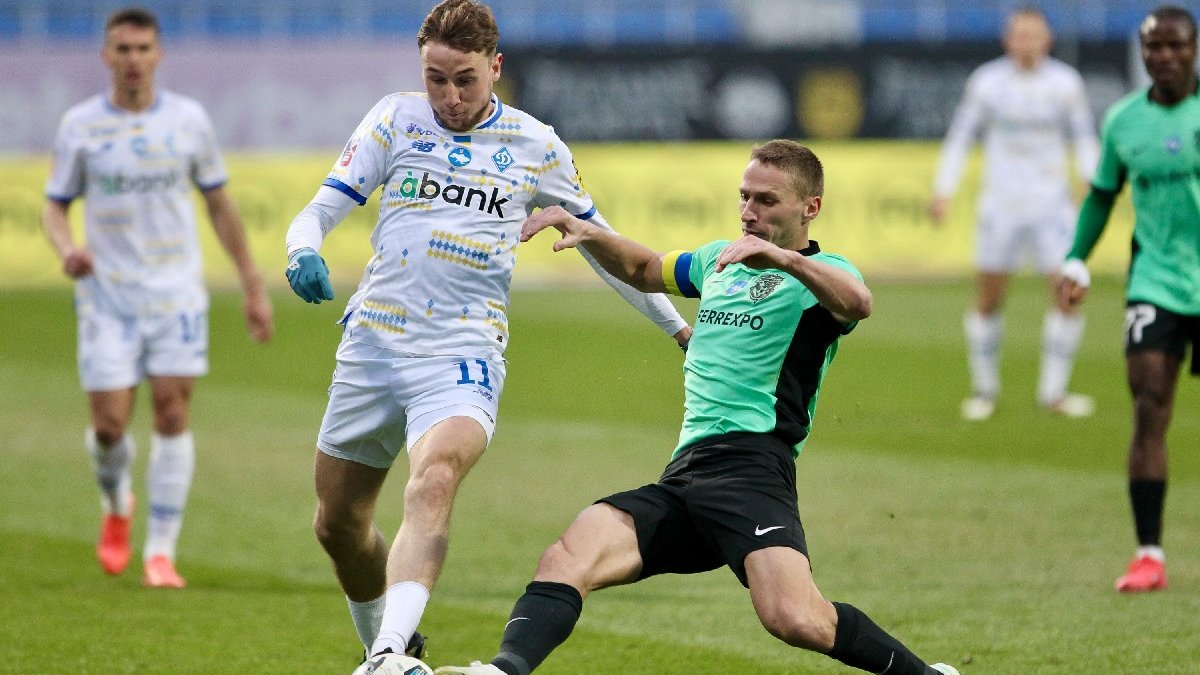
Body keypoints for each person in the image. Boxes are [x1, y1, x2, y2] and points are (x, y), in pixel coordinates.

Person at [435, 141, 959, 675]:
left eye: (767, 200)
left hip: (752, 470)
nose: (749, 211)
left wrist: (785, 260)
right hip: (686, 474)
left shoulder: (821, 273)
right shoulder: (718, 261)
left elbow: (858, 303)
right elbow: (644, 267)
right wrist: (589, 232)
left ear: (810, 208)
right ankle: (503, 670)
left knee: (796, 618)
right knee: (570, 555)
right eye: (745, 196)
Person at [282, 0, 691, 664]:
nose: (449, 96)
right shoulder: (394, 118)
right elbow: (318, 211)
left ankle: (388, 652)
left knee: (434, 479)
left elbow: (603, 247)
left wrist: (676, 328)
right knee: (338, 526)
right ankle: (389, 646)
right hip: (373, 345)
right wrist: (302, 250)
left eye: (465, 79)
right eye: (435, 78)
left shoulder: (536, 145)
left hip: (462, 351)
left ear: (495, 67)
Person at [42, 7, 273, 588]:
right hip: (107, 298)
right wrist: (67, 249)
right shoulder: (80, 126)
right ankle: (116, 502)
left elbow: (219, 204)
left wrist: (250, 283)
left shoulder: (188, 121)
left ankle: (161, 552)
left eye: (143, 48)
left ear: (159, 55)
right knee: (109, 427)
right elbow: (54, 205)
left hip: (176, 294)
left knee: (172, 411)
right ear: (106, 56)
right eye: (123, 49)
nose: (133, 59)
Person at [1058, 4, 1200, 594]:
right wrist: (1076, 257)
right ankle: (1149, 555)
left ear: (1194, 49)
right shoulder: (1122, 120)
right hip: (1157, 282)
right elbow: (1101, 195)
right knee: (1148, 403)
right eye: (1153, 48)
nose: (1164, 57)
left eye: (1175, 46)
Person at [930, 6, 1099, 421]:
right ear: (1007, 40)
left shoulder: (1065, 83)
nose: (1026, 43)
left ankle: (1054, 392)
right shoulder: (987, 82)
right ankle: (985, 391)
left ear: (1047, 40)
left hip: (1051, 205)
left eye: (1033, 35)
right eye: (1019, 35)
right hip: (1001, 205)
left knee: (1066, 292)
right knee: (989, 297)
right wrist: (943, 189)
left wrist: (1091, 180)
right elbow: (961, 137)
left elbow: (1084, 137)